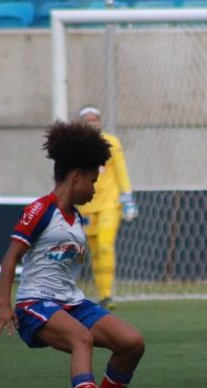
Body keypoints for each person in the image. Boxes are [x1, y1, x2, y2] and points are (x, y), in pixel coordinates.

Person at [0, 120, 145, 388]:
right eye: (92, 180)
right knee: (81, 339)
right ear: (75, 177)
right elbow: (10, 259)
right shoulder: (41, 210)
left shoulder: (76, 218)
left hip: (71, 302)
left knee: (132, 343)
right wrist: (5, 305)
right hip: (35, 304)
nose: (95, 188)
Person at [76, 106, 137, 311]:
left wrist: (127, 198)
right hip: (86, 207)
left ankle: (109, 293)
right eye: (88, 120)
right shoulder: (75, 146)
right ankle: (103, 295)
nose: (92, 123)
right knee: (94, 251)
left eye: (95, 120)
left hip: (110, 204)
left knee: (105, 245)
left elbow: (121, 171)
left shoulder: (111, 142)